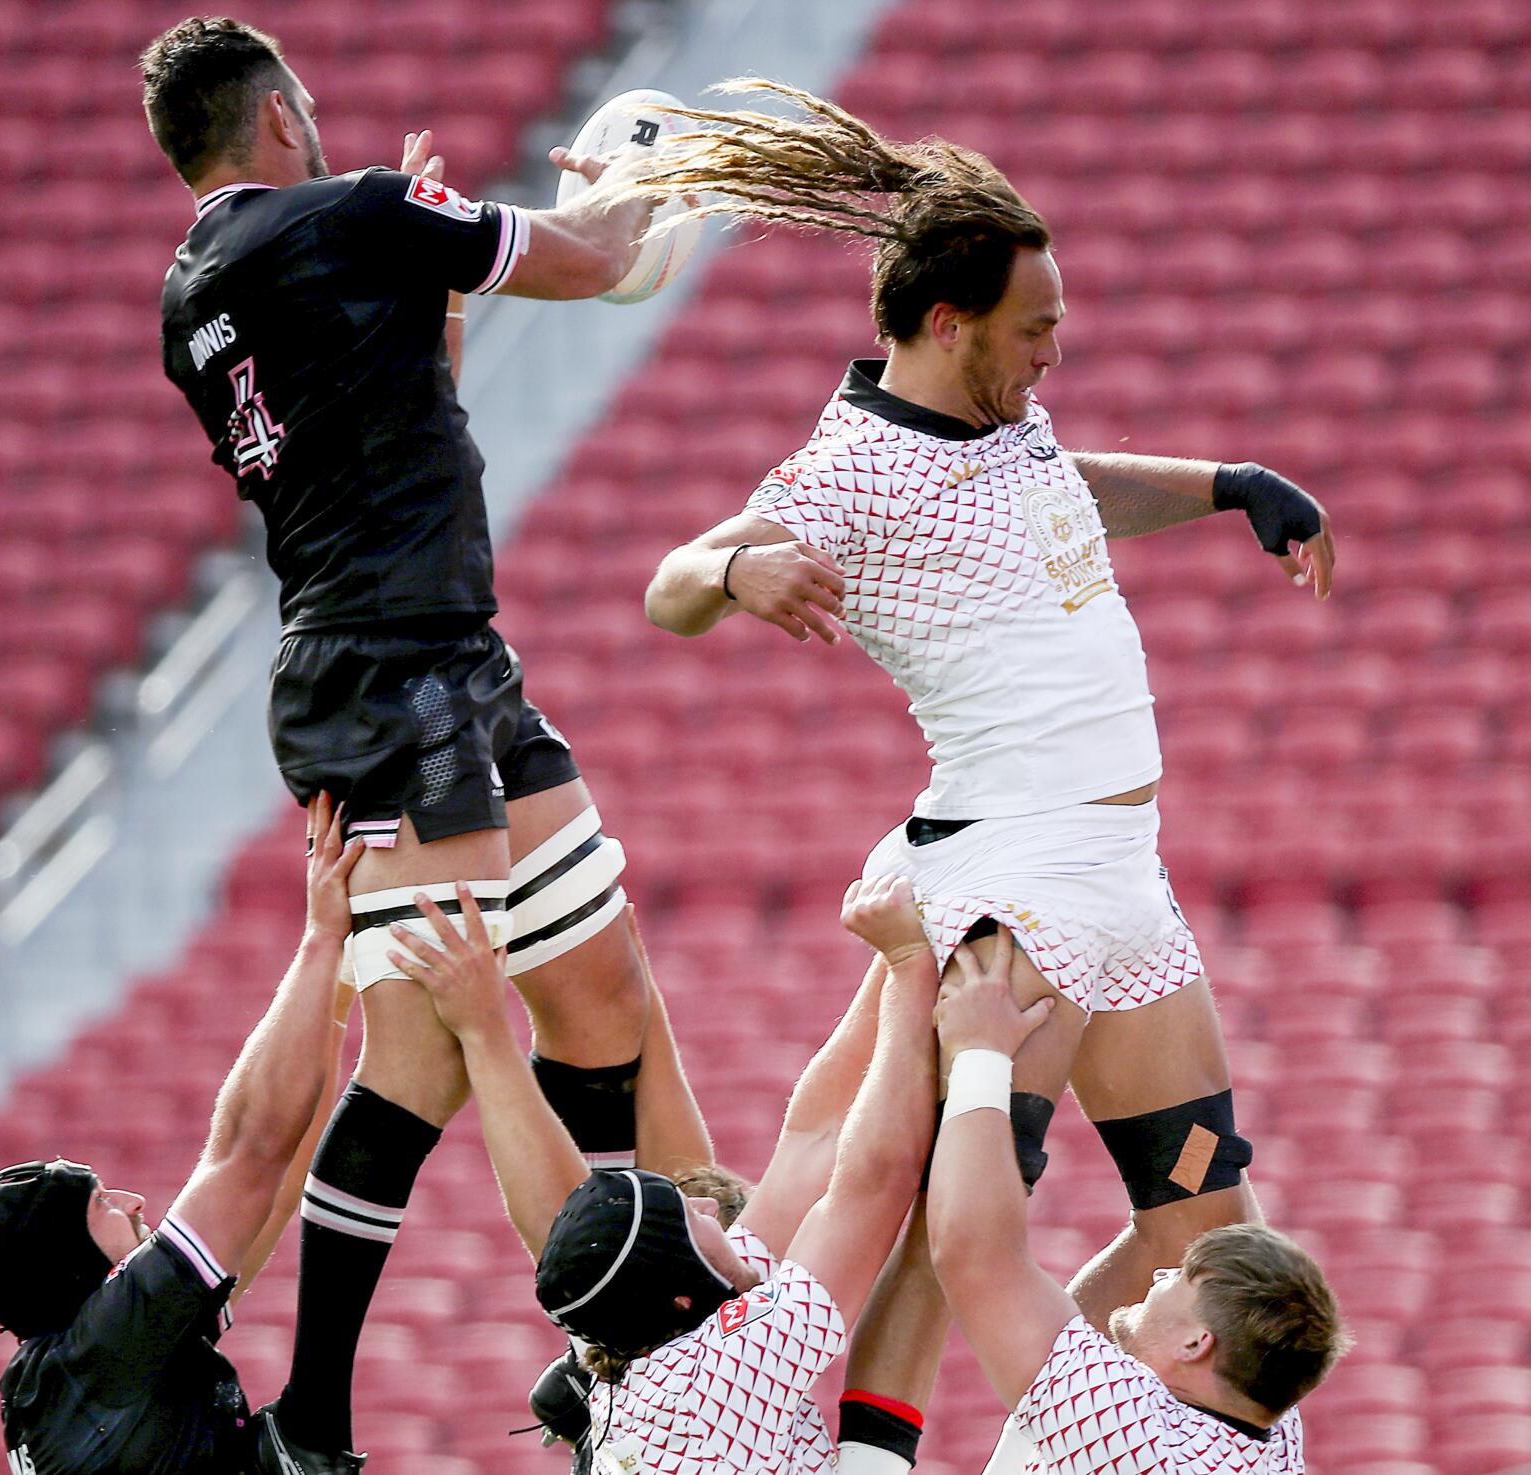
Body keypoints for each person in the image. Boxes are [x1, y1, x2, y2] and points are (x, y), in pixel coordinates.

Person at [629, 80, 1338, 1472]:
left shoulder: (1008, 430)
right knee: (954, 1199)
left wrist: (1228, 483)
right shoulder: (850, 468)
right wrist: (734, 567)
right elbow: (666, 587)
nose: (1054, 352)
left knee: (1214, 1222)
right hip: (1017, 877)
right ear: (948, 325)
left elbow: (1070, 487)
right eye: (1035, 329)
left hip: (1121, 883)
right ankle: (848, 1451)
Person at [142, 18, 665, 1459]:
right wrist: (646, 168)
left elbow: (397, 419)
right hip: (390, 673)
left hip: (445, 655)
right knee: (430, 1045)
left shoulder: (194, 295)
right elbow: (600, 258)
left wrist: (421, 289)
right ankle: (334, 1407)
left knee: (603, 986)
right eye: (304, 107)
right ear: (277, 116)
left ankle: (579, 1336)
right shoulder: (355, 209)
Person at [388, 876, 974, 1473]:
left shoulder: (672, 1321)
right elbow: (873, 1182)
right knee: (949, 1210)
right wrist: (908, 961)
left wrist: (912, 914)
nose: (709, 1207)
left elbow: (815, 1136)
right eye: (687, 1221)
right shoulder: (719, 1367)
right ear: (680, 1295)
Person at [0, 794, 374, 1475]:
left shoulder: (82, 1362)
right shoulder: (110, 1346)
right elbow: (249, 1148)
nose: (131, 1200)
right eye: (98, 1204)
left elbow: (277, 1176)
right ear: (66, 1258)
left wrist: (337, 987)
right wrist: (320, 937)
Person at [928, 940, 1349, 1473]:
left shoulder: (1138, 1441)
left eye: (1180, 1280)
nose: (1163, 1273)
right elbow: (1204, 1210)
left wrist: (980, 1053)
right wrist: (1198, 1149)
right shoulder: (1263, 1421)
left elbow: (972, 1256)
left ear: (1198, 1342)